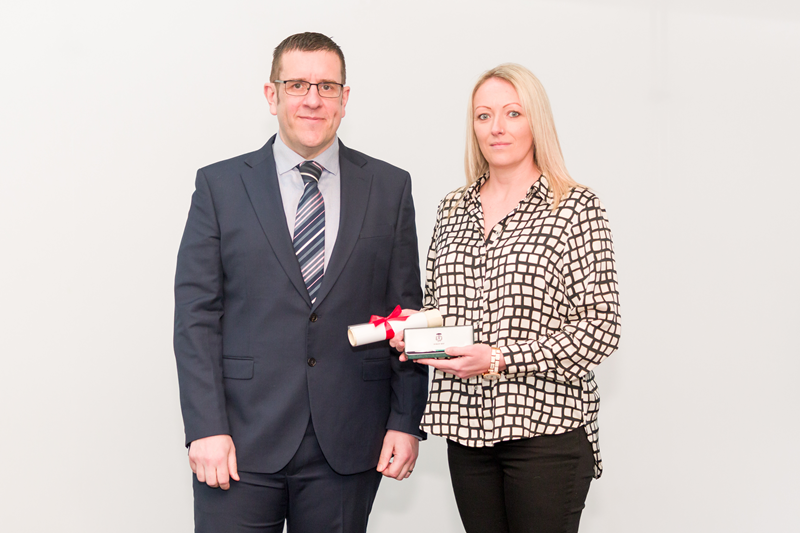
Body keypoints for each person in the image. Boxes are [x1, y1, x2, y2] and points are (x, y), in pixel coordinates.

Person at [173, 32, 428, 533]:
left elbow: (406, 315)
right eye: (297, 85)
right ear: (272, 95)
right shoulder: (220, 186)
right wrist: (205, 428)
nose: (313, 99)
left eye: (327, 86)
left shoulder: (389, 186)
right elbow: (196, 317)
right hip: (239, 442)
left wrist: (405, 419)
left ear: (344, 98)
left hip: (350, 441)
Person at [390, 64, 621, 533]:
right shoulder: (452, 208)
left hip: (547, 430)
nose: (496, 127)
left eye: (512, 113)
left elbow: (601, 329)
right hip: (467, 430)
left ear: (536, 122)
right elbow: (444, 308)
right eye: (483, 116)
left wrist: (498, 358)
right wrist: (416, 331)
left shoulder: (574, 206)